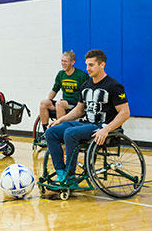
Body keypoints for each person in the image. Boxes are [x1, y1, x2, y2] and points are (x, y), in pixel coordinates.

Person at [45, 50, 130, 182]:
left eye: (91, 65)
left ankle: (70, 176)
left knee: (70, 133)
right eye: (86, 65)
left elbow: (125, 113)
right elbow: (79, 110)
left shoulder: (114, 86)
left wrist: (106, 129)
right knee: (51, 132)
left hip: (101, 127)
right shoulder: (86, 85)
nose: (87, 68)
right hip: (85, 124)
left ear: (102, 65)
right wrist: (60, 120)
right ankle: (61, 173)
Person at [39, 51, 89, 143]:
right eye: (62, 61)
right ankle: (46, 132)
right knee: (43, 103)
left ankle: (60, 133)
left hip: (75, 103)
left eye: (65, 61)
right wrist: (48, 100)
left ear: (72, 62)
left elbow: (86, 93)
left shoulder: (82, 75)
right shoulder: (61, 74)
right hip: (64, 103)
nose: (63, 63)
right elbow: (54, 90)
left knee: (59, 104)